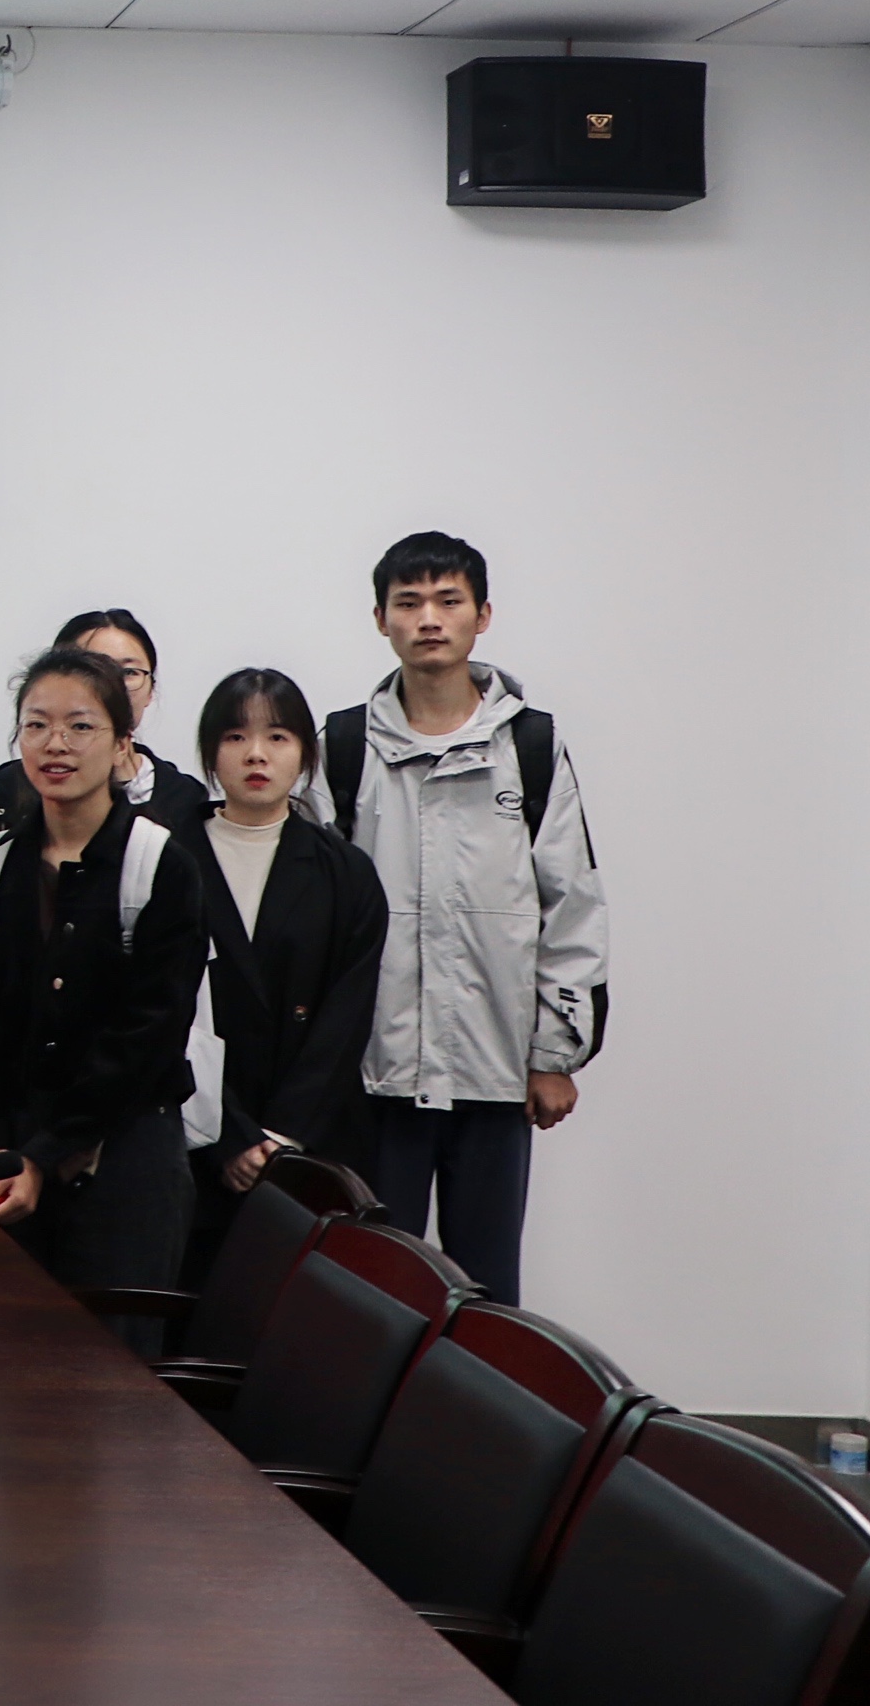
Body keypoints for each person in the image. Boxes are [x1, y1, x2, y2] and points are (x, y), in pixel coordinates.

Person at [330, 531, 608, 1307]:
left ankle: (481, 1400)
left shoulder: (531, 745)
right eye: (409, 602)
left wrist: (554, 1055)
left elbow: (571, 905)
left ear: (482, 615)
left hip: (496, 1073)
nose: (429, 619)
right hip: (376, 1076)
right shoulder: (345, 747)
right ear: (380, 619)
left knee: (487, 1302)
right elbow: (318, 915)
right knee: (372, 1294)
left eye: (448, 600)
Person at [0, 647, 207, 1322]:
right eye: (37, 724)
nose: (56, 744)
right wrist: (5, 1148)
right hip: (8, 1158)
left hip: (125, 1158)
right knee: (1, 1360)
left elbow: (149, 1032)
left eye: (80, 726)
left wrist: (48, 1154)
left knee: (113, 1362)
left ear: (122, 743)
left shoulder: (159, 864)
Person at [170, 668, 388, 1268]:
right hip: (192, 1145)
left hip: (314, 1148)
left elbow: (347, 1015)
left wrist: (279, 1138)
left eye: (278, 737)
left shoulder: (345, 872)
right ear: (210, 752)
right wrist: (230, 1136)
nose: (256, 755)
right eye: (235, 737)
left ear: (305, 754)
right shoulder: (166, 857)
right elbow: (159, 1012)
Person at [0, 608, 210, 835]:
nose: (114, 684)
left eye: (129, 672)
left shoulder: (182, 796)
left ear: (151, 690)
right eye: (93, 668)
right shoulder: (9, 787)